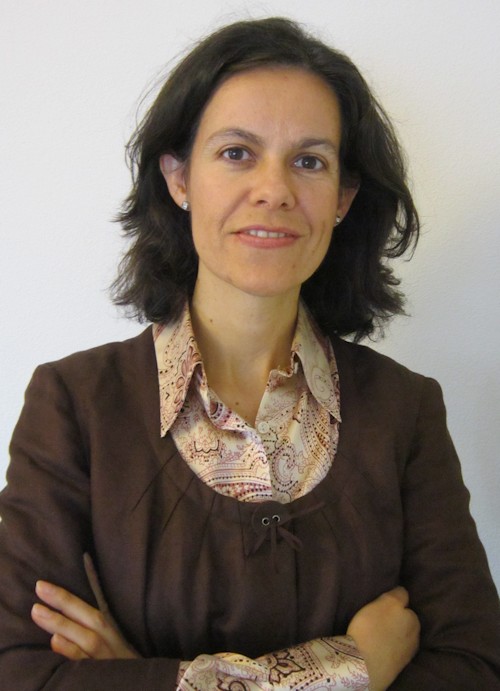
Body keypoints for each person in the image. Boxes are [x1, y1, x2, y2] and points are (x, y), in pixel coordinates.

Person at [1, 16, 499, 691]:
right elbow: (23, 674)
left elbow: (473, 666)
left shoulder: (406, 410)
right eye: (237, 152)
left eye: (309, 161)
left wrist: (139, 677)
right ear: (178, 177)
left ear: (343, 198)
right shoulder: (73, 405)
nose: (274, 189)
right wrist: (348, 671)